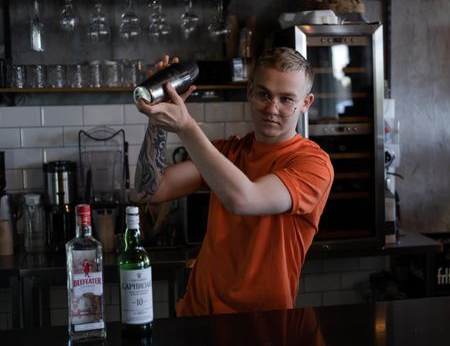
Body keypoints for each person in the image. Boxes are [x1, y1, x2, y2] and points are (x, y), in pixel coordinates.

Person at [134, 47, 334, 316]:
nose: (272, 108)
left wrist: (185, 126)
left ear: (306, 103)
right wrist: (158, 118)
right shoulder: (230, 152)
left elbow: (244, 199)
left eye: (286, 99)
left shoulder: (313, 164)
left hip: (261, 324)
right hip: (196, 316)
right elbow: (150, 190)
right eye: (264, 94)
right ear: (250, 91)